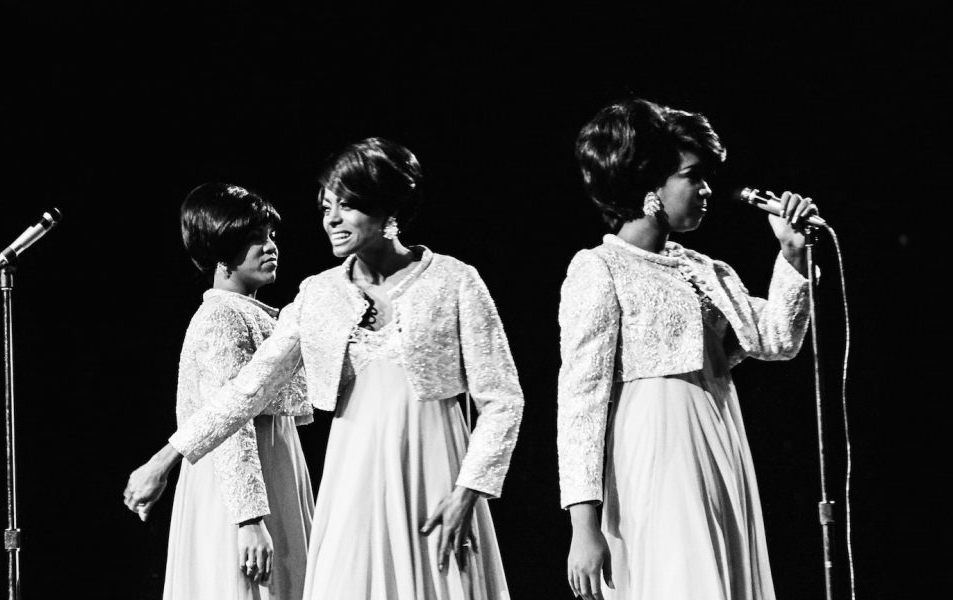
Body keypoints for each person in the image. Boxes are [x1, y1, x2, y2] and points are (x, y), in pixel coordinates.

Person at [124, 138, 523, 599]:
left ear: (386, 207)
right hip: (352, 476)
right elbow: (244, 391)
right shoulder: (319, 294)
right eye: (325, 207)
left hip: (436, 471)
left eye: (346, 206)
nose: (330, 219)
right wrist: (165, 459)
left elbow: (502, 399)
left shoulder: (454, 280)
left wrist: (469, 489)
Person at [557, 98, 818, 600]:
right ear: (649, 185)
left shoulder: (706, 269)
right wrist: (582, 526)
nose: (706, 190)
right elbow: (580, 401)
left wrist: (791, 254)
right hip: (654, 450)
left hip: (718, 439)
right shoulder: (599, 268)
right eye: (692, 176)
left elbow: (778, 341)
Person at [123, 183, 315, 599]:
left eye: (271, 236)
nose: (269, 247)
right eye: (253, 240)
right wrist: (248, 520)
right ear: (220, 250)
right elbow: (232, 421)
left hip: (271, 465)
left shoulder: (251, 311)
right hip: (242, 481)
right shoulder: (222, 316)